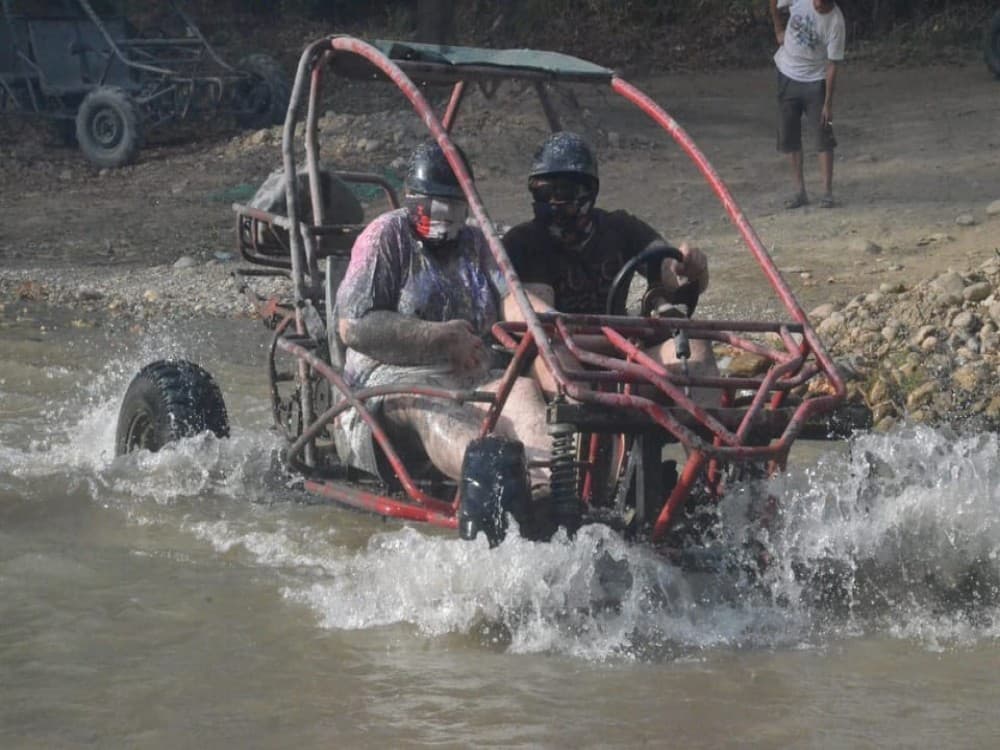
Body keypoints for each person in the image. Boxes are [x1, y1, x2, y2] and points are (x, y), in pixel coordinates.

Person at [333, 140, 550, 494]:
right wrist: (440, 337)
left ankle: (547, 487)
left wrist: (550, 321)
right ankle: (499, 484)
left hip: (472, 375)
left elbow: (511, 297)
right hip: (394, 382)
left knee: (522, 390)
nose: (444, 215)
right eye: (435, 204)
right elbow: (353, 327)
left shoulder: (477, 243)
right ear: (411, 198)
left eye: (454, 204)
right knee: (435, 406)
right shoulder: (386, 236)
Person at [501, 131, 717, 402]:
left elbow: (673, 274)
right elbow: (545, 326)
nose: (553, 202)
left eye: (563, 192)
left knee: (694, 349)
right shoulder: (525, 242)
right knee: (554, 358)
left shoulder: (620, 228)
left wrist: (692, 268)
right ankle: (571, 438)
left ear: (588, 192)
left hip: (623, 356)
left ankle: (708, 439)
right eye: (542, 192)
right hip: (568, 357)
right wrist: (625, 336)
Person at [769, 0, 846, 209]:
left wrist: (828, 103)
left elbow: (832, 65)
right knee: (789, 135)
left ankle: (827, 192)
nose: (817, 6)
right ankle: (799, 191)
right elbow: (775, 3)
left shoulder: (836, 21)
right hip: (787, 73)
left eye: (822, 5)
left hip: (816, 80)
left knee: (823, 134)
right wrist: (778, 28)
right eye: (815, 2)